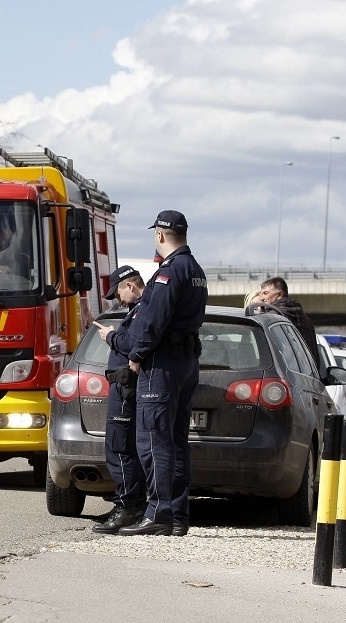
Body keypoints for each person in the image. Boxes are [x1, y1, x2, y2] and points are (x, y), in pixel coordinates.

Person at [119, 210, 207, 537]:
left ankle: (158, 512)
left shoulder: (170, 271)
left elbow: (153, 321)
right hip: (186, 361)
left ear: (159, 235)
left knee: (154, 440)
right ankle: (177, 514)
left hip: (162, 363)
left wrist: (136, 355)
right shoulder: (195, 269)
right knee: (177, 441)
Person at [91, 265, 147, 534]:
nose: (117, 300)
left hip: (127, 386)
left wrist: (111, 336)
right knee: (123, 447)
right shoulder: (139, 311)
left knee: (121, 448)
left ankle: (128, 507)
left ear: (130, 286)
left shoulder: (142, 310)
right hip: (123, 384)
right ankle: (130, 504)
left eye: (118, 293)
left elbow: (133, 345)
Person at [259, 276, 319, 364]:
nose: (262, 298)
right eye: (261, 294)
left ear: (279, 294)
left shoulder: (273, 317)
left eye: (265, 293)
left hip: (285, 374)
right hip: (309, 374)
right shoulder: (307, 321)